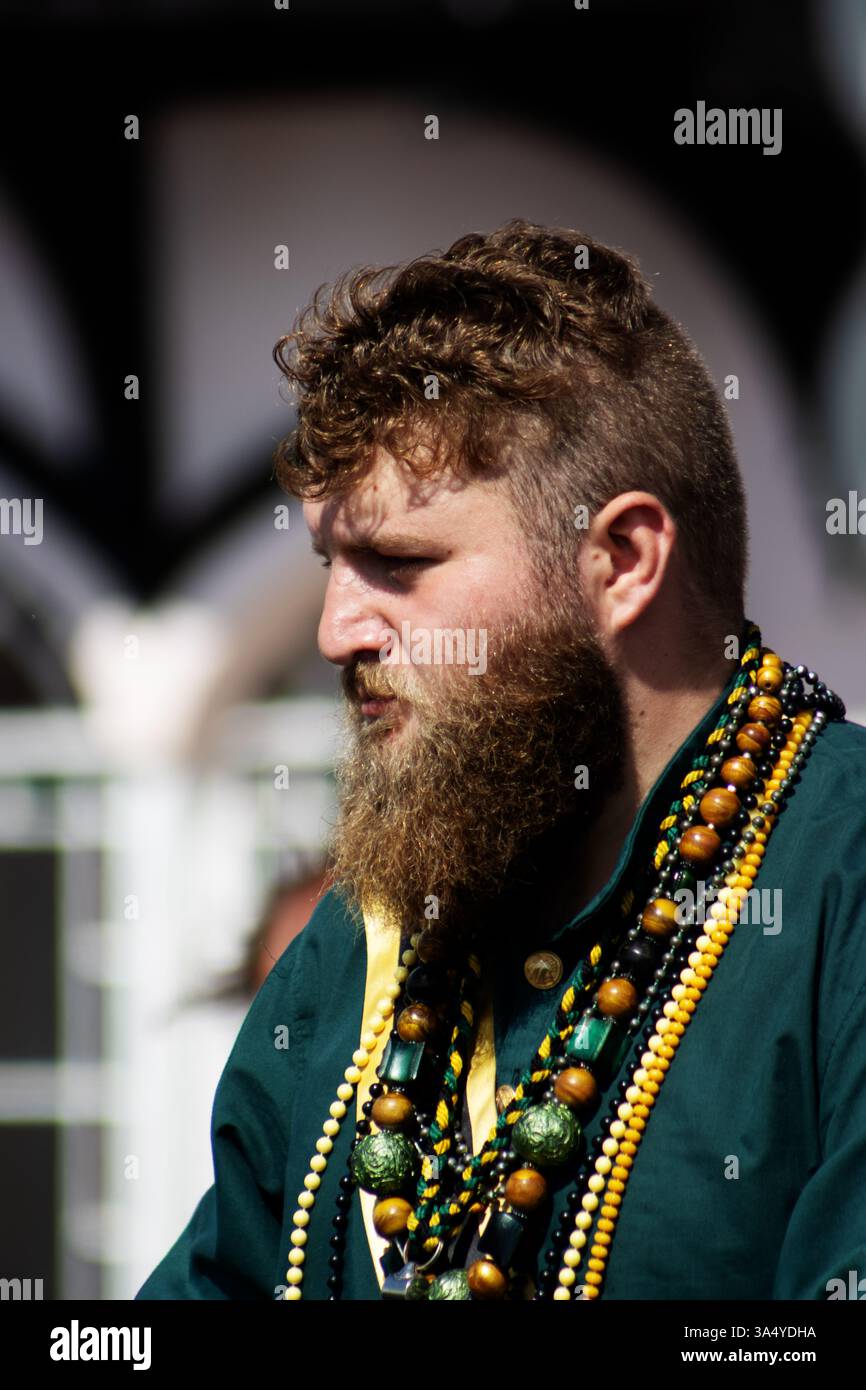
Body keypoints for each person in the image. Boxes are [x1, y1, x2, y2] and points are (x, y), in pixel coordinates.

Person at [135, 218, 866, 1302]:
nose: (338, 631)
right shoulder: (361, 948)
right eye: (333, 564)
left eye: (398, 562)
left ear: (618, 562)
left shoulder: (834, 882)